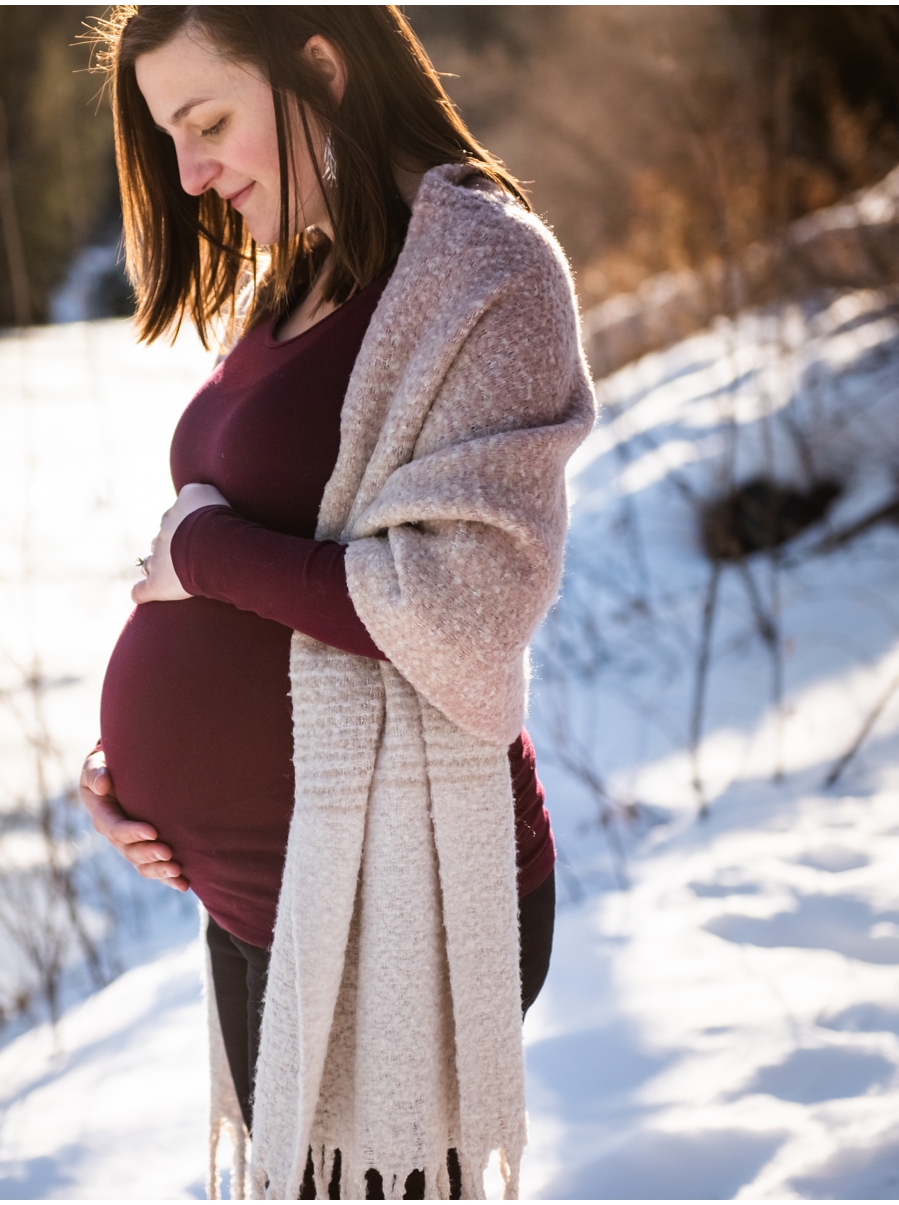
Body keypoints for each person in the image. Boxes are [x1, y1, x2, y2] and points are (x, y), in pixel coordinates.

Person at [75, 7, 595, 1199]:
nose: (192, 172)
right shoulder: (307, 273)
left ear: (320, 64)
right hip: (275, 891)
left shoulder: (487, 274)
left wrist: (201, 559)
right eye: (171, 139)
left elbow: (463, 606)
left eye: (208, 121)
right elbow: (268, 557)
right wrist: (133, 764)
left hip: (398, 890)